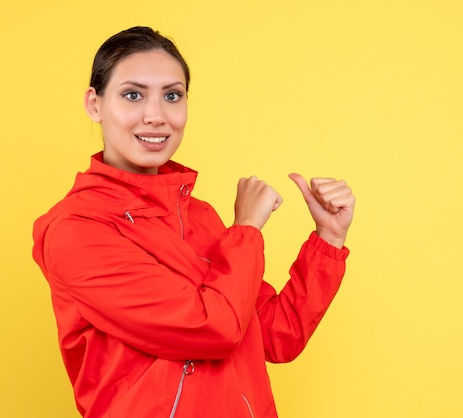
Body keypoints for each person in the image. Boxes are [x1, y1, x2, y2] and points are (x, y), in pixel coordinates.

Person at [32, 26, 355, 418]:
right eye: (132, 95)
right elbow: (212, 328)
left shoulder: (199, 216)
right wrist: (247, 228)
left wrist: (328, 238)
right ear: (95, 105)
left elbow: (273, 335)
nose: (156, 116)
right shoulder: (76, 230)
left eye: (172, 95)